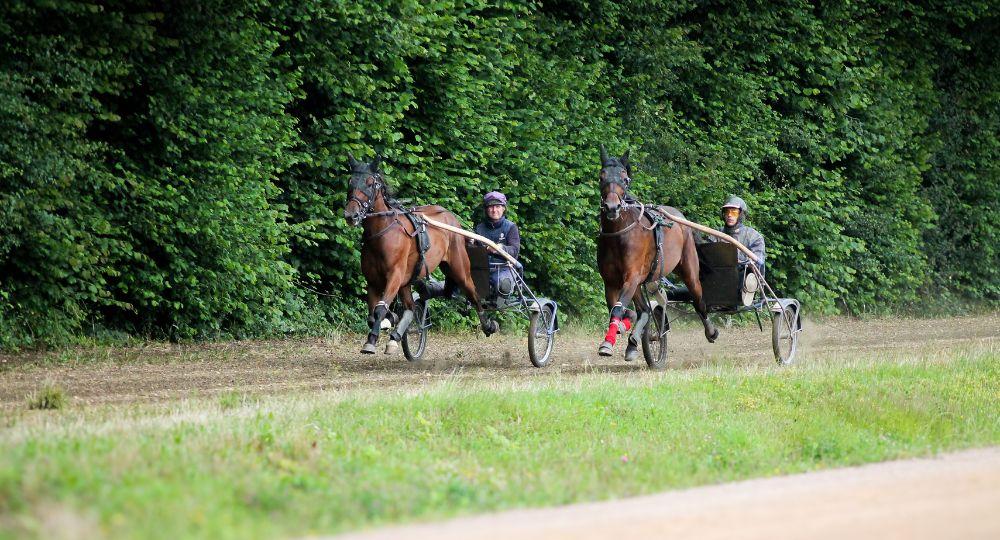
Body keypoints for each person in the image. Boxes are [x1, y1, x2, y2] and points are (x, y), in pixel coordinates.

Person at [473, 191, 521, 296]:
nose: (494, 210)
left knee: (503, 286)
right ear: (486, 209)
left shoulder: (511, 227)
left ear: (503, 208)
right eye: (491, 207)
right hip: (482, 270)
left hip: (504, 268)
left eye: (498, 206)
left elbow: (515, 251)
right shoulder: (479, 228)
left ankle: (500, 300)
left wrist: (499, 248)